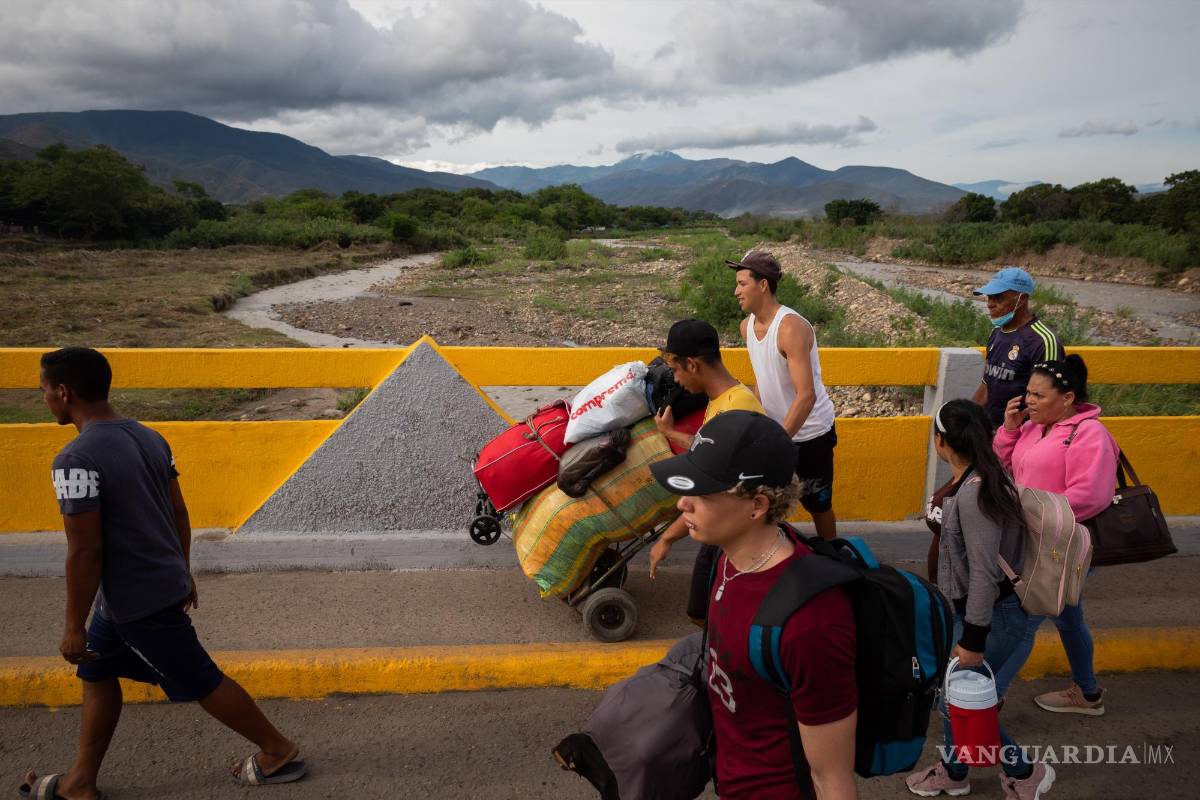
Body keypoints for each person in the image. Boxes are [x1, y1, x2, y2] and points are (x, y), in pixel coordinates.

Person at [21, 347, 307, 800]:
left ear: (64, 392)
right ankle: (80, 781)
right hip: (136, 592)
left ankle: (278, 750)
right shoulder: (149, 436)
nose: (44, 399)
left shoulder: (74, 460)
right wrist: (182, 570)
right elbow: (178, 511)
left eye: (43, 390)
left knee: (200, 679)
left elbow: (85, 549)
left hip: (137, 599)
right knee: (97, 671)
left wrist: (72, 625)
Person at [651, 410, 859, 799]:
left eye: (703, 494)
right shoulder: (725, 557)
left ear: (757, 505)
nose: (682, 505)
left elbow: (832, 779)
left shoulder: (811, 622)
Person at [905, 400, 1056, 800]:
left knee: (959, 704)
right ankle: (955, 772)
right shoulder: (980, 478)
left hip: (990, 617)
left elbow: (984, 574)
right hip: (979, 613)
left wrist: (973, 639)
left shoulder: (976, 495)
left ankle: (1025, 770)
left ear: (941, 442)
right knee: (957, 700)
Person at [991, 355, 1118, 715]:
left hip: (1062, 546)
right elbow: (1005, 466)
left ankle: (986, 700)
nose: (1029, 401)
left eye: (1039, 395)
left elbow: (1091, 495)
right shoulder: (1033, 427)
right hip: (1031, 540)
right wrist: (1009, 430)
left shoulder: (1090, 434)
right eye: (1028, 393)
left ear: (1067, 398)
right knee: (1068, 617)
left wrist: (1034, 514)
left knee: (1024, 619)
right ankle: (1088, 693)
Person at [648, 319, 765, 625]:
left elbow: (714, 489)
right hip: (724, 529)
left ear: (692, 364)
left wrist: (667, 538)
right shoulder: (724, 400)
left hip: (736, 532)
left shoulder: (735, 410)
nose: (675, 378)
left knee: (714, 618)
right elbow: (709, 448)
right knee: (702, 613)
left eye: (675, 370)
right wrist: (670, 433)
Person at [730, 250, 839, 540]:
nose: (736, 291)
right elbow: (761, 379)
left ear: (763, 285)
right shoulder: (747, 327)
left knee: (818, 505)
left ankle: (833, 555)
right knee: (765, 504)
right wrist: (758, 425)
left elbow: (806, 396)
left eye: (742, 284)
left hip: (812, 435)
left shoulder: (791, 327)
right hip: (776, 433)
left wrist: (776, 443)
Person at [971, 267, 1063, 430]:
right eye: (989, 297)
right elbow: (987, 384)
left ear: (1021, 299)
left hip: (1023, 433)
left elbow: (1051, 400)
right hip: (993, 430)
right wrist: (967, 417)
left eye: (999, 297)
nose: (990, 304)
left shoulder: (1042, 341)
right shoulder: (996, 333)